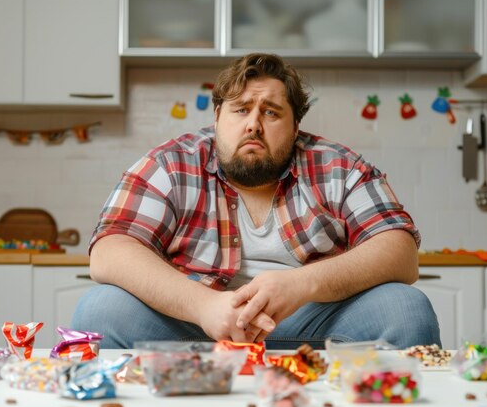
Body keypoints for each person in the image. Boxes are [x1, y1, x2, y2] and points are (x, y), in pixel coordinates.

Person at [72, 53, 440, 350]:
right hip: (196, 319)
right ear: (217, 117)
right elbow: (110, 249)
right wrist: (204, 306)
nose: (253, 124)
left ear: (296, 127)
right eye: (240, 109)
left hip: (311, 316)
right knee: (99, 308)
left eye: (270, 111)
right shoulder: (170, 164)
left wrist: (301, 285)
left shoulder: (339, 165)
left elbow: (400, 251)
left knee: (407, 308)